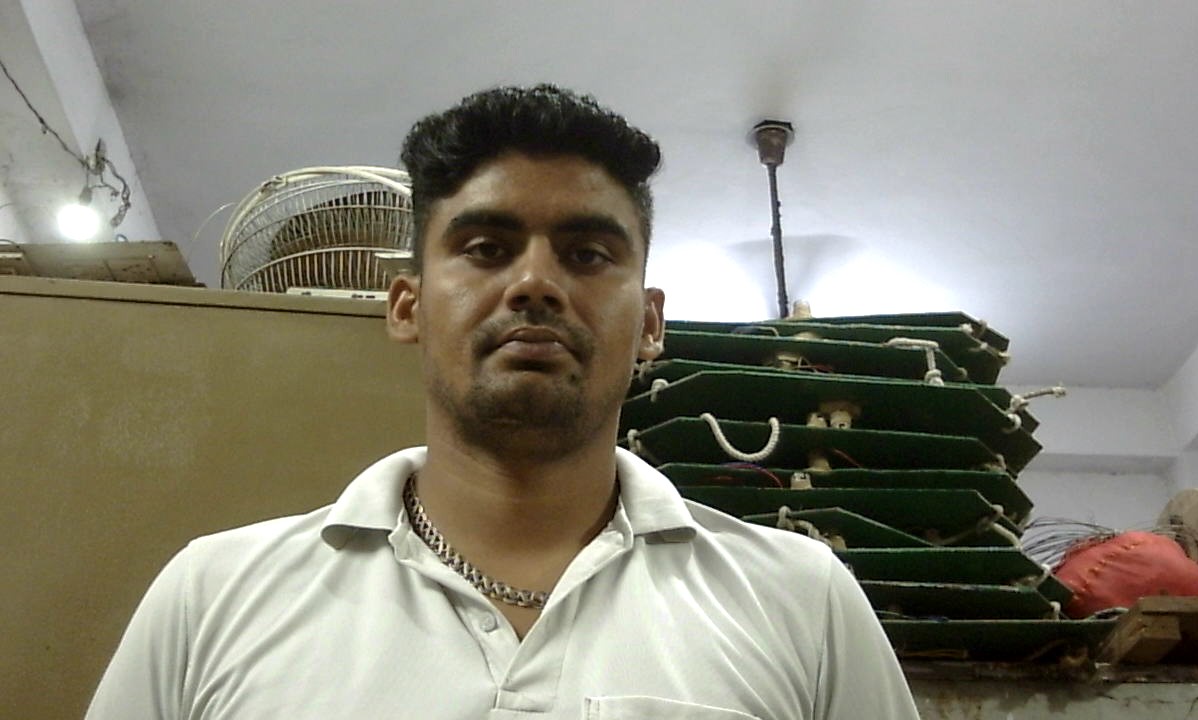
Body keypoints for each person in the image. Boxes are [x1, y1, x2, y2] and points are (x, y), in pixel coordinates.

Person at [87, 85, 920, 720]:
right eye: (486, 248)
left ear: (649, 323)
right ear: (407, 306)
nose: (534, 283)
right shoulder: (215, 597)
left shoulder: (801, 602)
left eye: (587, 254)